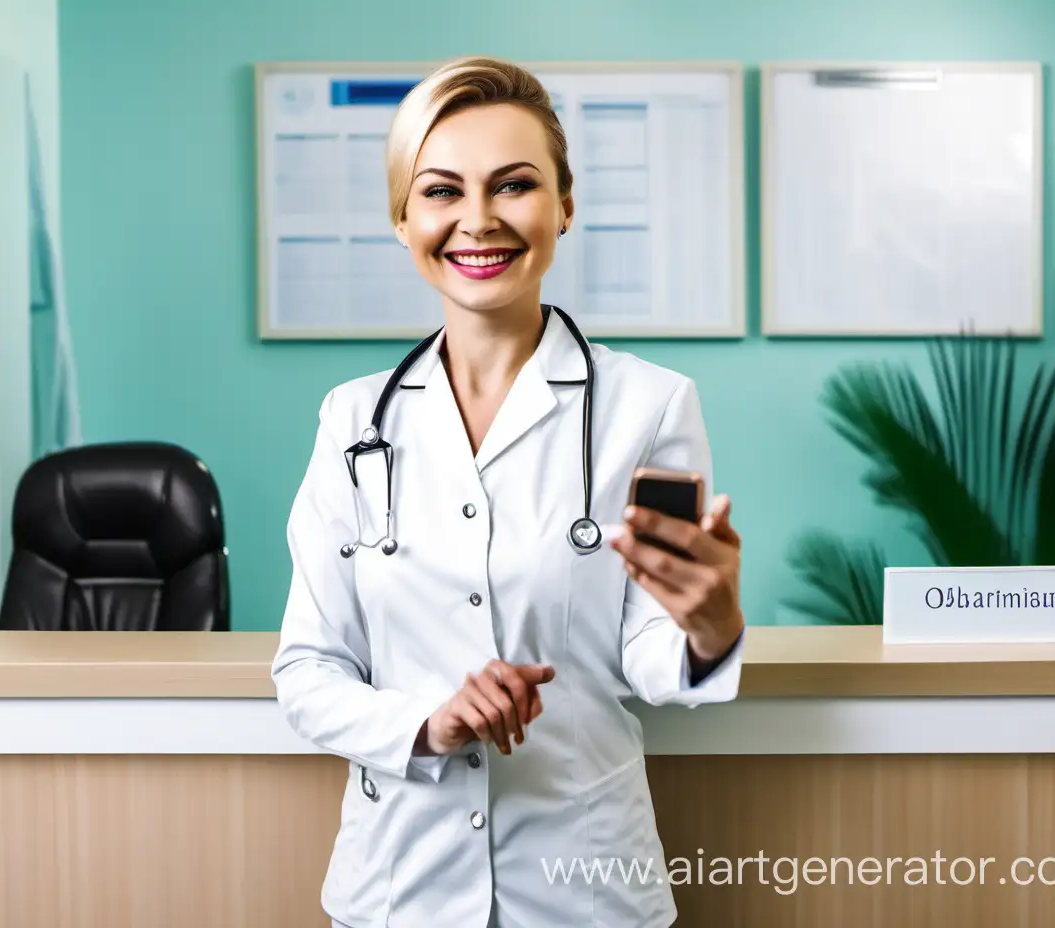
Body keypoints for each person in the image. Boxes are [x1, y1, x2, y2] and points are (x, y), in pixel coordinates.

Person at [271, 55, 745, 928]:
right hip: (397, 890)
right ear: (402, 218)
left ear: (565, 203)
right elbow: (307, 670)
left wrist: (709, 628)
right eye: (441, 191)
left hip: (585, 891)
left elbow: (648, 649)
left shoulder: (648, 406)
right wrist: (429, 724)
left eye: (514, 185)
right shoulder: (352, 423)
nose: (478, 221)